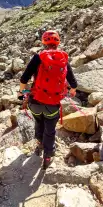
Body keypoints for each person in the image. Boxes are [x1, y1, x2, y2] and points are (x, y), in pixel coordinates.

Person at [18, 30, 78, 169]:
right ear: (58, 42)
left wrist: (21, 93)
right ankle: (48, 155)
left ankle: (39, 143)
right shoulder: (63, 58)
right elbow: (73, 82)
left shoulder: (38, 57)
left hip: (35, 101)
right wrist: (72, 90)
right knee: (50, 129)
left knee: (39, 121)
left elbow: (24, 78)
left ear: (44, 42)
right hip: (53, 104)